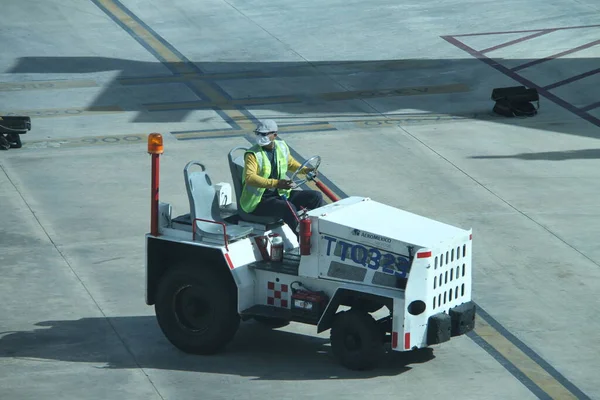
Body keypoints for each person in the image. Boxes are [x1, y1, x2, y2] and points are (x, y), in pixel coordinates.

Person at [240, 119, 325, 235]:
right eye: (258, 133)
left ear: (274, 135)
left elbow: (290, 163)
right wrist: (277, 183)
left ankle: (315, 232)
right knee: (287, 207)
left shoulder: (281, 147)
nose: (260, 137)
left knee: (316, 197)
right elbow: (250, 178)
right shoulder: (253, 154)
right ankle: (303, 241)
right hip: (259, 201)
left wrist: (306, 170)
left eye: (264, 134)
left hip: (280, 194)